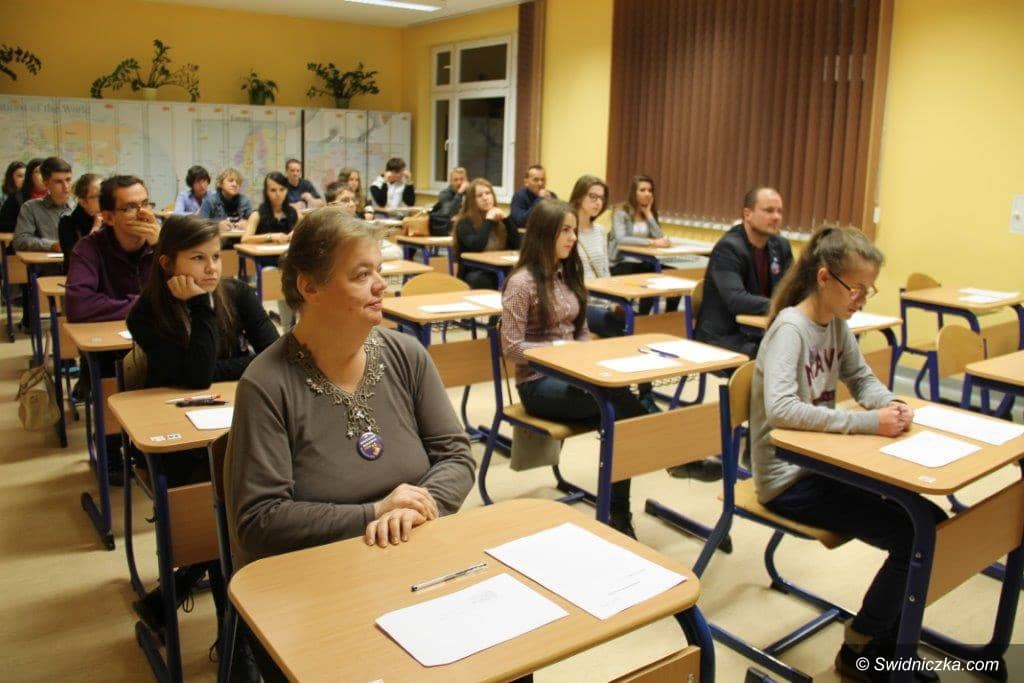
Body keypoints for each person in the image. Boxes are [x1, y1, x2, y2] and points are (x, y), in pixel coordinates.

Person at [750, 226, 945, 682]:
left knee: (930, 521)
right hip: (788, 478)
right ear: (824, 278)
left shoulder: (835, 323)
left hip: (823, 463)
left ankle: (889, 643)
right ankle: (863, 647)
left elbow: (860, 379)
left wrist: (890, 405)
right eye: (856, 288)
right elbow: (781, 411)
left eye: (867, 290)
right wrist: (868, 423)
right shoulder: (791, 330)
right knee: (914, 534)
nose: (861, 299)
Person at [126, 214, 278, 639]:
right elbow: (195, 377)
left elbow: (274, 354)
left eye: (215, 256)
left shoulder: (237, 293)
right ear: (166, 263)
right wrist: (200, 308)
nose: (212, 268)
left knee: (239, 485)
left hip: (229, 426)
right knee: (219, 493)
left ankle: (182, 588)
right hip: (176, 444)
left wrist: (217, 369)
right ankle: (234, 636)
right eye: (197, 258)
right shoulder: (145, 314)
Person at [501, 199, 648, 537]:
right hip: (538, 384)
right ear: (544, 234)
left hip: (576, 377)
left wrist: (582, 353)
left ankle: (618, 512)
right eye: (565, 231)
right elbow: (511, 347)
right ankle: (671, 457)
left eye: (573, 230)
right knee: (618, 405)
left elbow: (580, 330)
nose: (572, 237)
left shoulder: (567, 274)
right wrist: (558, 352)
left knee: (620, 414)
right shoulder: (521, 283)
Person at [66, 175, 158, 486]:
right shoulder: (89, 249)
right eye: (130, 207)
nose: (142, 213)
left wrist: (162, 249)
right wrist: (142, 305)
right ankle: (110, 442)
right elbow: (79, 305)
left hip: (156, 339)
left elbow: (191, 290)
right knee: (110, 371)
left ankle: (158, 448)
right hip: (111, 348)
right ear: (107, 217)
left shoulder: (162, 243)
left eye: (145, 203)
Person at [696, 187, 794, 357]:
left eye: (779, 211)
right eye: (769, 211)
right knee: (777, 356)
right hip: (724, 336)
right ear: (747, 214)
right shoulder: (728, 248)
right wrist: (782, 305)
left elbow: (794, 288)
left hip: (760, 330)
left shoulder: (781, 246)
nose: (776, 217)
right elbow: (737, 300)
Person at [608, 174, 679, 314]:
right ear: (634, 192)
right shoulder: (621, 212)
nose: (647, 193)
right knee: (648, 279)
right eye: (642, 190)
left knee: (674, 275)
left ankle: (670, 315)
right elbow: (621, 239)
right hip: (622, 262)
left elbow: (659, 236)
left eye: (650, 190)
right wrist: (651, 242)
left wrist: (648, 214)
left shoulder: (650, 213)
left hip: (643, 261)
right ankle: (641, 317)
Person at [242, 172, 301, 327]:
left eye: (282, 189)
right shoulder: (258, 214)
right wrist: (270, 236)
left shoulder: (293, 213)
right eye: (273, 190)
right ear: (266, 192)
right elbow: (245, 239)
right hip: (268, 262)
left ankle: (292, 325)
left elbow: (304, 231)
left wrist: (296, 233)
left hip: (290, 261)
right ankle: (285, 325)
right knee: (278, 279)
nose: (278, 194)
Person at [568, 174, 624, 338]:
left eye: (601, 198)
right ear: (579, 197)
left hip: (603, 299)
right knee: (613, 322)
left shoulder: (600, 231)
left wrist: (613, 301)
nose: (598, 202)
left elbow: (605, 272)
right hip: (579, 302)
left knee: (629, 317)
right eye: (593, 197)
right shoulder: (567, 231)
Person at [452, 177, 514, 289]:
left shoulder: (500, 220)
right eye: (479, 195)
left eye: (488, 193)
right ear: (472, 200)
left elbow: (518, 245)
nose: (485, 198)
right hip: (476, 271)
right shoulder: (464, 222)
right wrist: (488, 221)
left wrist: (507, 220)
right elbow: (477, 246)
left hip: (500, 268)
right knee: (483, 280)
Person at [12, 156, 75, 253]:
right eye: (58, 182)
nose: (66, 186)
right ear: (46, 184)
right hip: (47, 261)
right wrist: (52, 246)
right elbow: (20, 241)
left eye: (68, 180)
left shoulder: (81, 206)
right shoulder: (30, 207)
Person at [326, 183, 402, 260]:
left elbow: (396, 252)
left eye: (353, 200)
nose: (352, 204)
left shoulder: (357, 225)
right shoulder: (329, 231)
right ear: (331, 205)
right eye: (345, 200)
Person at [58, 173, 103, 271]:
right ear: (83, 202)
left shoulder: (113, 218)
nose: (105, 199)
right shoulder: (68, 222)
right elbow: (77, 260)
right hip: (81, 276)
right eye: (98, 196)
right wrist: (96, 228)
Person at [0, 157, 44, 233]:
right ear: (30, 176)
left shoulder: (57, 197)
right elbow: (3, 225)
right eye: (38, 172)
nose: (44, 176)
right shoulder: (17, 198)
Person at [509, 164, 556, 229]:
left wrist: (551, 203)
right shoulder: (519, 196)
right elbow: (520, 221)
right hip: (524, 234)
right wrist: (540, 200)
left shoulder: (551, 196)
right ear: (526, 182)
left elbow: (557, 220)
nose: (540, 183)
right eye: (536, 180)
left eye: (542, 180)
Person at [428, 166, 468, 237]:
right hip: (447, 229)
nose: (459, 182)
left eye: (462, 179)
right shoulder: (444, 194)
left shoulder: (471, 193)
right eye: (456, 180)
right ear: (451, 182)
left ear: (466, 181)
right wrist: (459, 193)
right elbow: (448, 213)